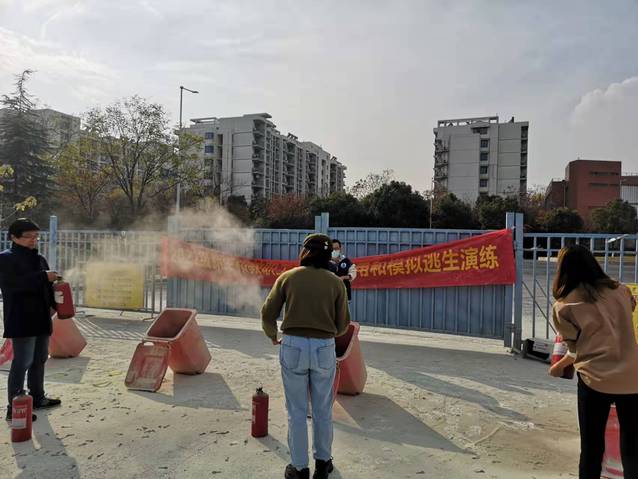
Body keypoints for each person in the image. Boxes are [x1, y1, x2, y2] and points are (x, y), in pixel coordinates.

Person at [261, 233, 350, 479]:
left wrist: (272, 334)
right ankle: (323, 464)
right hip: (324, 348)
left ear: (304, 252)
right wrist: (327, 335)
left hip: (293, 346)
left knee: (297, 410)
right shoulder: (335, 283)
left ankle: (299, 468)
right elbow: (343, 324)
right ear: (328, 255)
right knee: (322, 409)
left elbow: (267, 313)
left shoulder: (288, 277)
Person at [548, 245, 638, 479]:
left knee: (591, 447)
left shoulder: (563, 307)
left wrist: (557, 367)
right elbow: (630, 308)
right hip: (632, 377)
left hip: (594, 379)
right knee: (632, 445)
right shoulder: (621, 290)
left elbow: (574, 350)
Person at [0, 218, 62, 422]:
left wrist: (57, 302)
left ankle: (38, 397)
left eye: (36, 236)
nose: (33, 240)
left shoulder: (39, 259)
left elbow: (46, 285)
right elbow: (13, 285)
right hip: (21, 318)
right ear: (13, 237)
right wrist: (44, 277)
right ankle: (14, 407)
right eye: (28, 237)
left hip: (41, 317)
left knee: (39, 359)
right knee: (22, 362)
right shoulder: (6, 259)